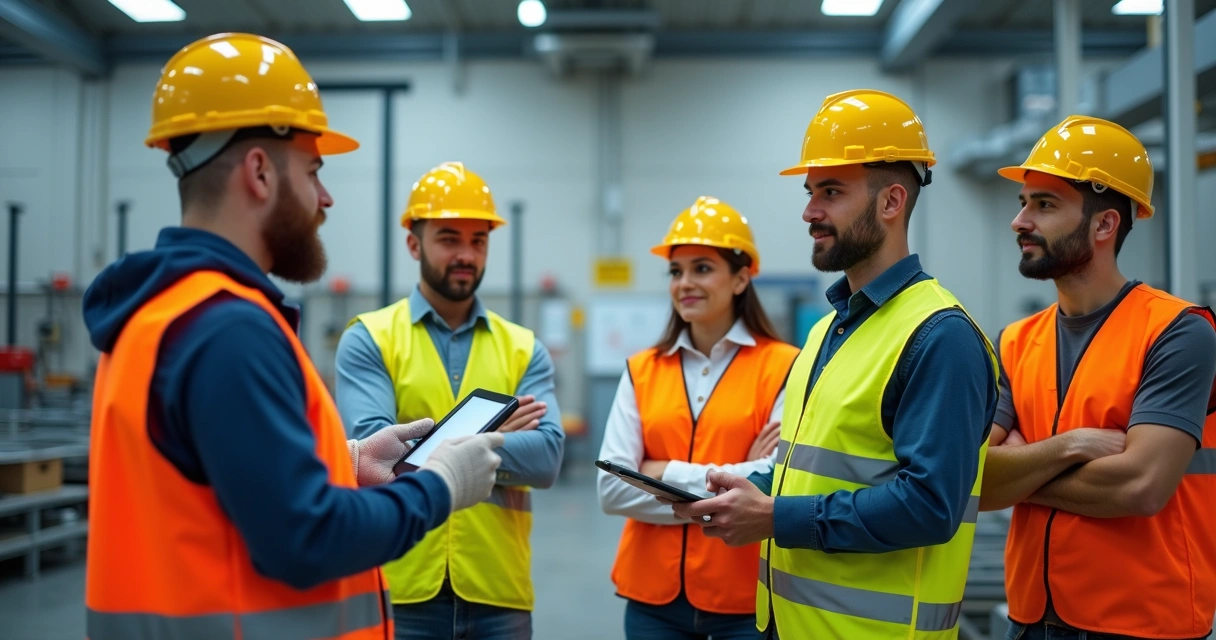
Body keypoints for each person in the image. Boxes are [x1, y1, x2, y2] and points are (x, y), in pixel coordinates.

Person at [82, 33, 505, 640]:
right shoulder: (227, 330)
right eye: (313, 172)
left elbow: (219, 485)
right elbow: (308, 538)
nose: (325, 198)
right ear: (259, 172)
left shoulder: (159, 313)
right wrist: (442, 485)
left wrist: (349, 462)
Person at [667, 89, 999, 639]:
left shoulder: (941, 337)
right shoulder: (826, 331)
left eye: (831, 192)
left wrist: (775, 518)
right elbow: (816, 470)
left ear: (892, 202)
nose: (809, 212)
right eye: (810, 192)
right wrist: (740, 491)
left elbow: (930, 506)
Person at [980, 116, 1216, 640]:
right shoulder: (1015, 341)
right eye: (1023, 203)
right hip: (1030, 621)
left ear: (1105, 225)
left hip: (1142, 625)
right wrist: (1072, 446)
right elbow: (974, 482)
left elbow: (1140, 485)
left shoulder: (1178, 331)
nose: (1019, 221)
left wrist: (1023, 469)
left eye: (1044, 205)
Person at [335, 161, 565, 640]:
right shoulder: (370, 339)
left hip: (498, 588)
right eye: (449, 238)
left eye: (478, 241)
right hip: (400, 581)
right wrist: (496, 433)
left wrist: (429, 445)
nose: (466, 254)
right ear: (413, 243)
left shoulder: (523, 347)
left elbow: (546, 459)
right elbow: (379, 460)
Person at [597, 196, 801, 639]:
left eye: (702, 268)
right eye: (676, 271)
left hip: (744, 597)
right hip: (652, 599)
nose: (685, 283)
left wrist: (656, 472)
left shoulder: (786, 366)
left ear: (741, 278)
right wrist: (738, 475)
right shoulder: (641, 369)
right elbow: (611, 489)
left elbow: (777, 483)